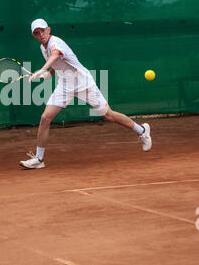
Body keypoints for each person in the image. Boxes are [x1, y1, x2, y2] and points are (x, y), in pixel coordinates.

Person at [20, 18, 152, 169]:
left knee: (108, 115)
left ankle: (142, 130)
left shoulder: (55, 42)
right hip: (65, 84)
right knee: (45, 118)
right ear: (34, 36)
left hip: (83, 83)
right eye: (37, 33)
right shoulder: (42, 48)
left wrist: (42, 70)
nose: (41, 34)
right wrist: (48, 74)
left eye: (42, 30)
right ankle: (39, 159)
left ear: (48, 30)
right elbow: (57, 64)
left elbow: (55, 55)